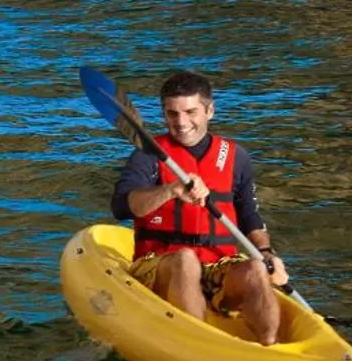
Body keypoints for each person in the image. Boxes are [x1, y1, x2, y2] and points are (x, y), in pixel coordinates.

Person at [111, 68, 292, 346]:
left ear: (209, 111)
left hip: (217, 263)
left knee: (255, 268)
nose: (181, 122)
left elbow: (249, 216)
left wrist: (267, 254)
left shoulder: (235, 157)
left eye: (190, 112)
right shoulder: (148, 155)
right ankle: (200, 348)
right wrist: (170, 190)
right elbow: (122, 206)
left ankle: (272, 349)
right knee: (185, 260)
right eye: (172, 114)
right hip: (160, 265)